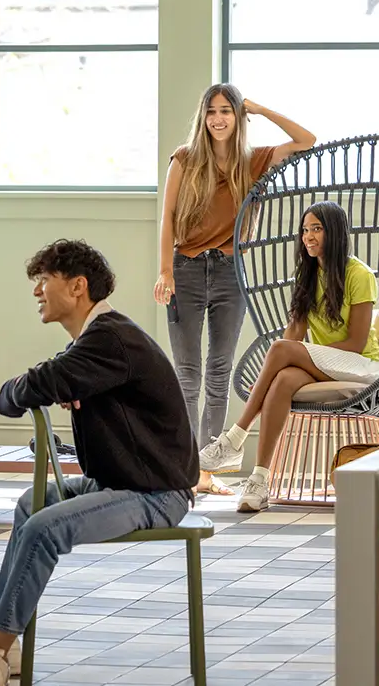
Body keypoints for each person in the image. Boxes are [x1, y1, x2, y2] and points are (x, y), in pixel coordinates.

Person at [0, 240, 198, 686]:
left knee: (44, 527)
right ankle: (6, 638)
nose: (36, 291)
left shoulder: (109, 339)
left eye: (44, 280)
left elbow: (32, 386)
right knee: (32, 505)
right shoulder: (97, 340)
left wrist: (31, 386)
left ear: (78, 286)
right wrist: (35, 387)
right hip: (119, 482)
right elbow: (34, 388)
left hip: (155, 494)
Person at [155, 84, 313, 497]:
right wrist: (164, 272)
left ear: (237, 117)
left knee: (219, 372)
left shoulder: (255, 160)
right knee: (188, 374)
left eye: (227, 111)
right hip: (186, 269)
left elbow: (306, 140)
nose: (219, 119)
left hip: (230, 272)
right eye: (212, 111)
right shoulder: (184, 158)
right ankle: (185, 468)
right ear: (203, 117)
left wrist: (260, 108)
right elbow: (168, 216)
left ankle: (207, 469)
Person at [196, 201, 379, 513]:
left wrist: (294, 355)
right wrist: (279, 368)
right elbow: (294, 338)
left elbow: (355, 343)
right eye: (304, 230)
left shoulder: (359, 274)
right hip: (328, 364)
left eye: (317, 229)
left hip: (362, 365)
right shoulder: (308, 274)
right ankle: (259, 481)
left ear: (336, 232)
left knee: (279, 350)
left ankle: (234, 438)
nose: (308, 236)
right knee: (283, 378)